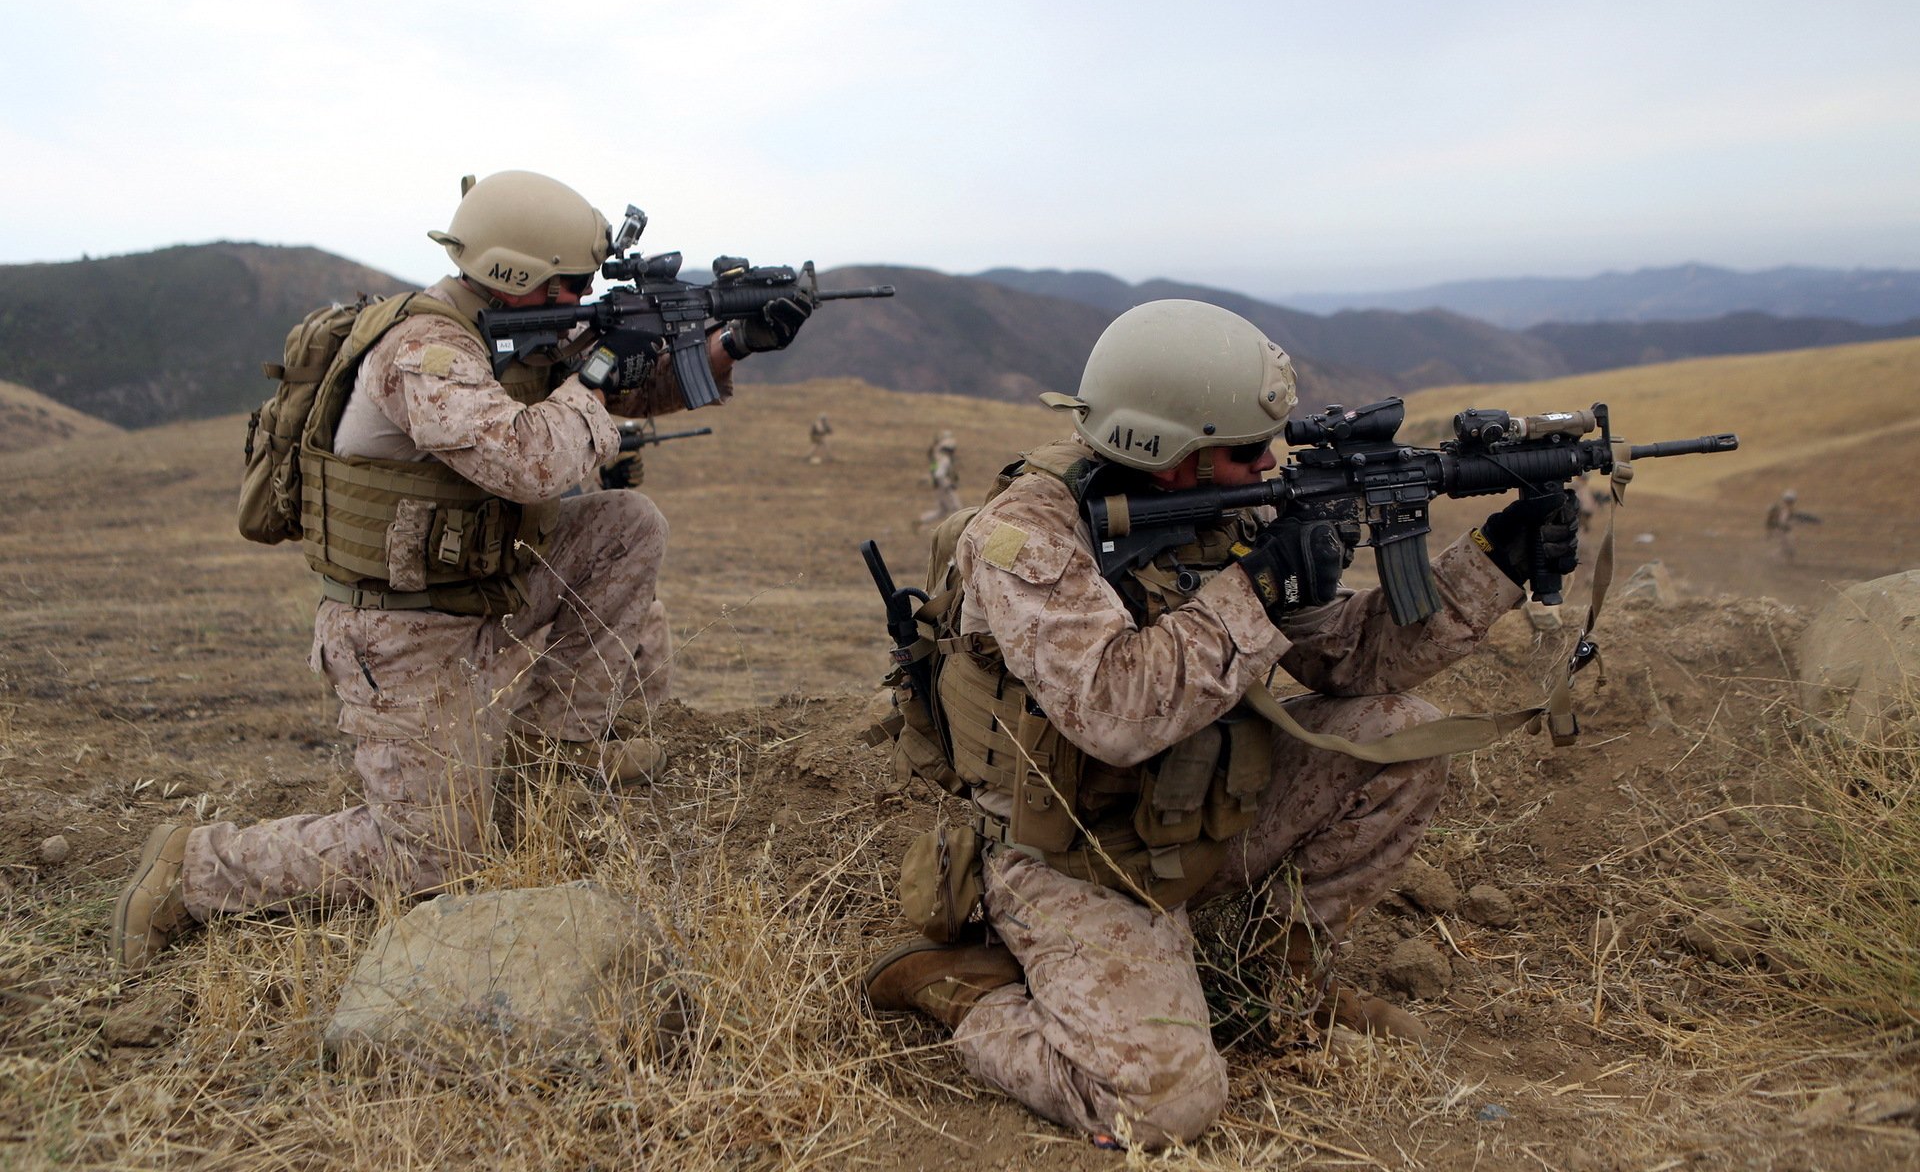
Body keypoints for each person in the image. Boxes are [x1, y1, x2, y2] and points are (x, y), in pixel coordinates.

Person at [862, 300, 1577, 1150]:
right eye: (1245, 451)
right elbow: (1112, 713)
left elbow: (1351, 663)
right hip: (1064, 849)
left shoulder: (1228, 508)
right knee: (1162, 1109)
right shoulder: (1025, 536)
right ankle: (964, 990)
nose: (1269, 463)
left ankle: (1273, 984)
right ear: (1167, 455)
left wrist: (1495, 565)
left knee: (1401, 734)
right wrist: (1263, 587)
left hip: (1199, 802)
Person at [112, 170, 814, 972]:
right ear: (521, 277)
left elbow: (609, 401)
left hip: (484, 588)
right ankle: (194, 868)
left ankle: (554, 761)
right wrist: (590, 375)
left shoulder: (505, 328)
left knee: (625, 527)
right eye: (571, 282)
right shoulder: (426, 350)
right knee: (430, 858)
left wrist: (728, 345)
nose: (582, 292)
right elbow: (529, 461)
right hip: (399, 631)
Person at [917, 429, 962, 526]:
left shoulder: (937, 458)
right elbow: (939, 474)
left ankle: (922, 520)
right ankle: (953, 530)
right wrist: (947, 485)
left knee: (942, 510)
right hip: (945, 487)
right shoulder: (945, 459)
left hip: (938, 487)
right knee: (957, 510)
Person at [1763, 488, 1819, 563]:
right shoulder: (1783, 510)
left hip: (1784, 531)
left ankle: (1785, 562)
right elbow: (1774, 520)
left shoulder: (1785, 509)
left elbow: (1791, 519)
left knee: (1788, 550)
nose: (1790, 502)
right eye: (1790, 500)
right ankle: (1771, 558)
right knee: (1788, 550)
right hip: (1782, 532)